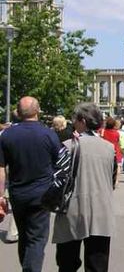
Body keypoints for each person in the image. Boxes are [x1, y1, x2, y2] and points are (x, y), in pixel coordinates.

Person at [0, 96, 63, 272]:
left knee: (25, 237)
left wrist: (0, 196)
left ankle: (28, 267)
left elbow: (1, 169)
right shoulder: (48, 134)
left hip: (17, 195)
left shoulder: (7, 135)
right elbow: (61, 164)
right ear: (38, 111)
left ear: (19, 113)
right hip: (42, 195)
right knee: (36, 240)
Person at [52, 102, 117, 272]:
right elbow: (112, 179)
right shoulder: (110, 149)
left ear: (82, 121)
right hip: (101, 211)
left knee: (67, 264)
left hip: (72, 212)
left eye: (75, 119)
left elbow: (58, 179)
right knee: (97, 265)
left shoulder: (67, 147)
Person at [101, 117, 122, 187]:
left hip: (105, 150)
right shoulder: (116, 133)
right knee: (118, 166)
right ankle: (116, 181)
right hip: (115, 150)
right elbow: (118, 141)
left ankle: (107, 180)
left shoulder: (103, 132)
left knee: (106, 166)